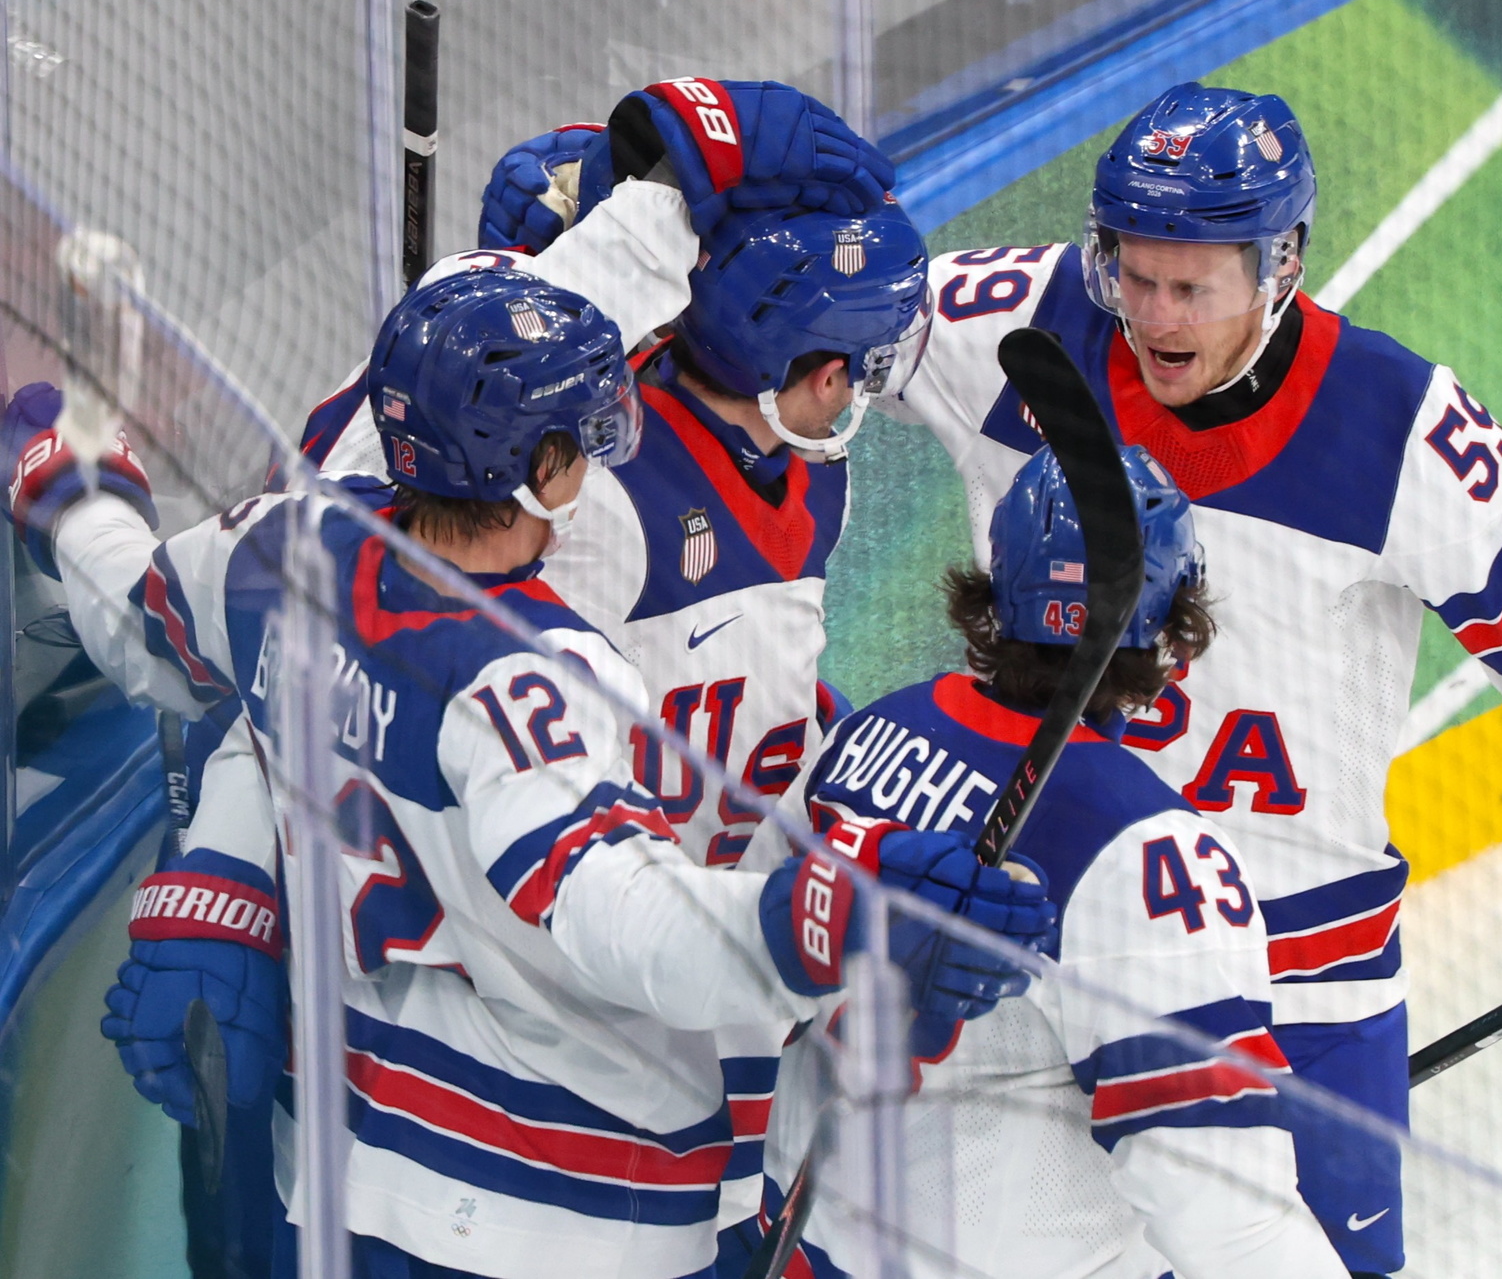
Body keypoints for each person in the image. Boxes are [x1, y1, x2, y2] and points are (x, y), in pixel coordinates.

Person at [473, 80, 1502, 1276]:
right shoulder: (1025, 325)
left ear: (1280, 264)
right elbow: (800, 336)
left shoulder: (1396, 430)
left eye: (1198, 286)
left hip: (1301, 984)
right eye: (1136, 275)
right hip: (1027, 970)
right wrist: (588, 271)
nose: (1158, 318)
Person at [10, 267, 1050, 1279]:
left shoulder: (272, 548)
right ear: (539, 469)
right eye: (586, 438)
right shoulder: (534, 676)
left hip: (341, 1173)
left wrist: (69, 495)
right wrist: (825, 922)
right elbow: (618, 918)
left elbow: (137, 616)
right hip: (566, 1206)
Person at [742, 443, 1350, 1279]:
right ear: (1175, 634)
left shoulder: (866, 735)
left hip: (802, 1244)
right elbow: (1227, 1214)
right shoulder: (1144, 847)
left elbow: (738, 956)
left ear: (996, 591)